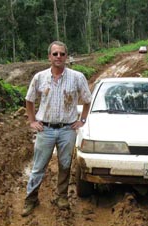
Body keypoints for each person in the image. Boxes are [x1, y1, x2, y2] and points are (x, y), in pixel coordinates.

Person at [22, 41, 91, 217]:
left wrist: (82, 120)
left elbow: (87, 100)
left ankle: (62, 197)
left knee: (65, 165)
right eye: (55, 54)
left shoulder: (77, 77)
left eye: (61, 54)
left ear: (66, 56)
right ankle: (31, 199)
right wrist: (32, 121)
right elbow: (29, 100)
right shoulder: (39, 77)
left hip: (67, 129)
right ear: (49, 57)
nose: (58, 57)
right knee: (39, 166)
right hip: (45, 129)